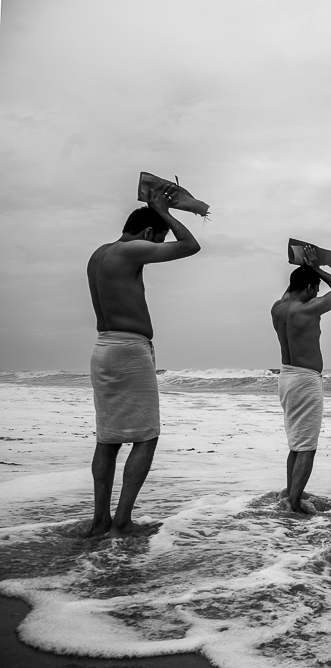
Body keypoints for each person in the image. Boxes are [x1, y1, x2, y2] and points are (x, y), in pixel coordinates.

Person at [86, 184, 201, 537]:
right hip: (129, 352)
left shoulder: (98, 253)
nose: (154, 247)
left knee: (107, 440)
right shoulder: (132, 249)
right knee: (146, 437)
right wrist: (166, 211)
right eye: (156, 238)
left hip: (103, 349)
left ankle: (100, 520)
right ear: (148, 233)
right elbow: (190, 246)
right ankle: (122, 520)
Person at [270, 247, 331, 513]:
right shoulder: (309, 309)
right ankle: (295, 504)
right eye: (315, 288)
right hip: (305, 379)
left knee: (296, 444)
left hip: (286, 377)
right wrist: (318, 269)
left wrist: (305, 271)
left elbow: (291, 291)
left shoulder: (277, 308)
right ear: (311, 288)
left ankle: (291, 493)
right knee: (307, 447)